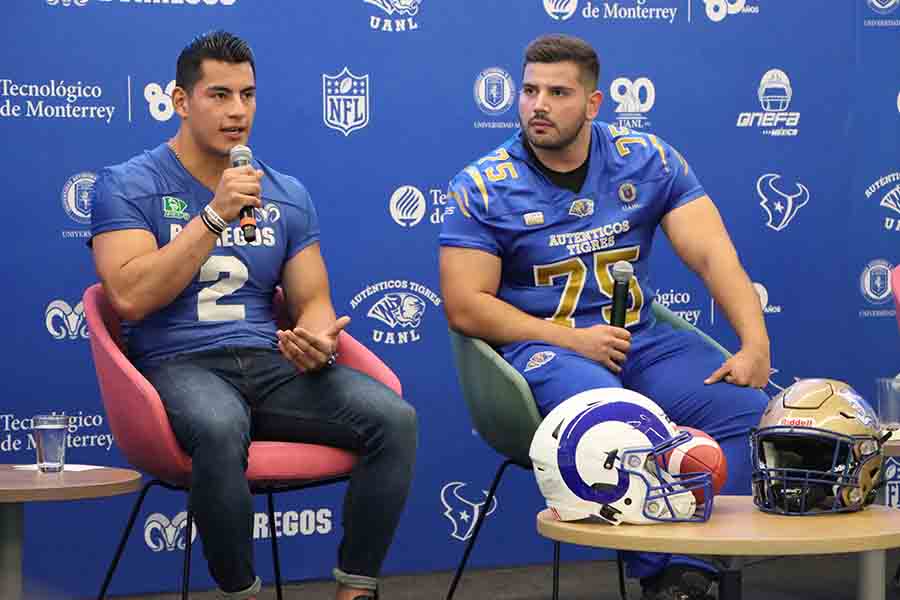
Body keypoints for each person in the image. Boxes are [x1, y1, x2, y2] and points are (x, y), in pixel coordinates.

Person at [440, 33, 769, 600]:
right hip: (538, 347)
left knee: (744, 410)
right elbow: (466, 306)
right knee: (617, 423)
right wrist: (571, 340)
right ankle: (665, 575)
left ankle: (698, 566)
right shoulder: (483, 185)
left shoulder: (647, 160)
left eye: (558, 92)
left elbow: (712, 253)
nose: (538, 105)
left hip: (636, 337)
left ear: (593, 104)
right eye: (529, 90)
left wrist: (754, 340)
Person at [90, 31, 416, 600]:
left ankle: (356, 588)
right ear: (180, 100)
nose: (237, 111)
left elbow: (312, 299)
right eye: (219, 95)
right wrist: (214, 216)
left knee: (395, 420)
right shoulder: (128, 184)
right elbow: (129, 298)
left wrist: (317, 338)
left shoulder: (285, 192)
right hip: (177, 363)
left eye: (247, 95)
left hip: (269, 364)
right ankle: (240, 592)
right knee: (218, 426)